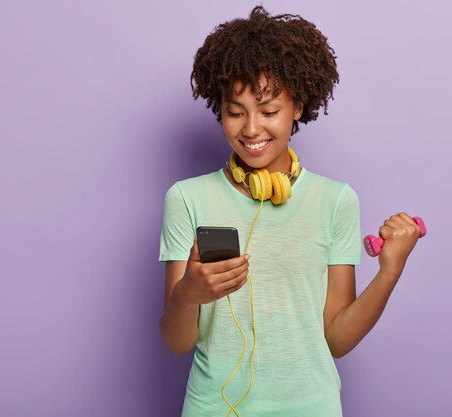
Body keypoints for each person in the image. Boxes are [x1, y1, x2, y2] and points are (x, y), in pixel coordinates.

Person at [158, 6, 422, 417]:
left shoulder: (336, 200)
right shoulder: (187, 197)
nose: (250, 129)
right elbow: (176, 342)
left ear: (297, 107)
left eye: (268, 111)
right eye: (234, 111)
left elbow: (336, 339)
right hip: (213, 408)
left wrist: (390, 270)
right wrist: (188, 294)